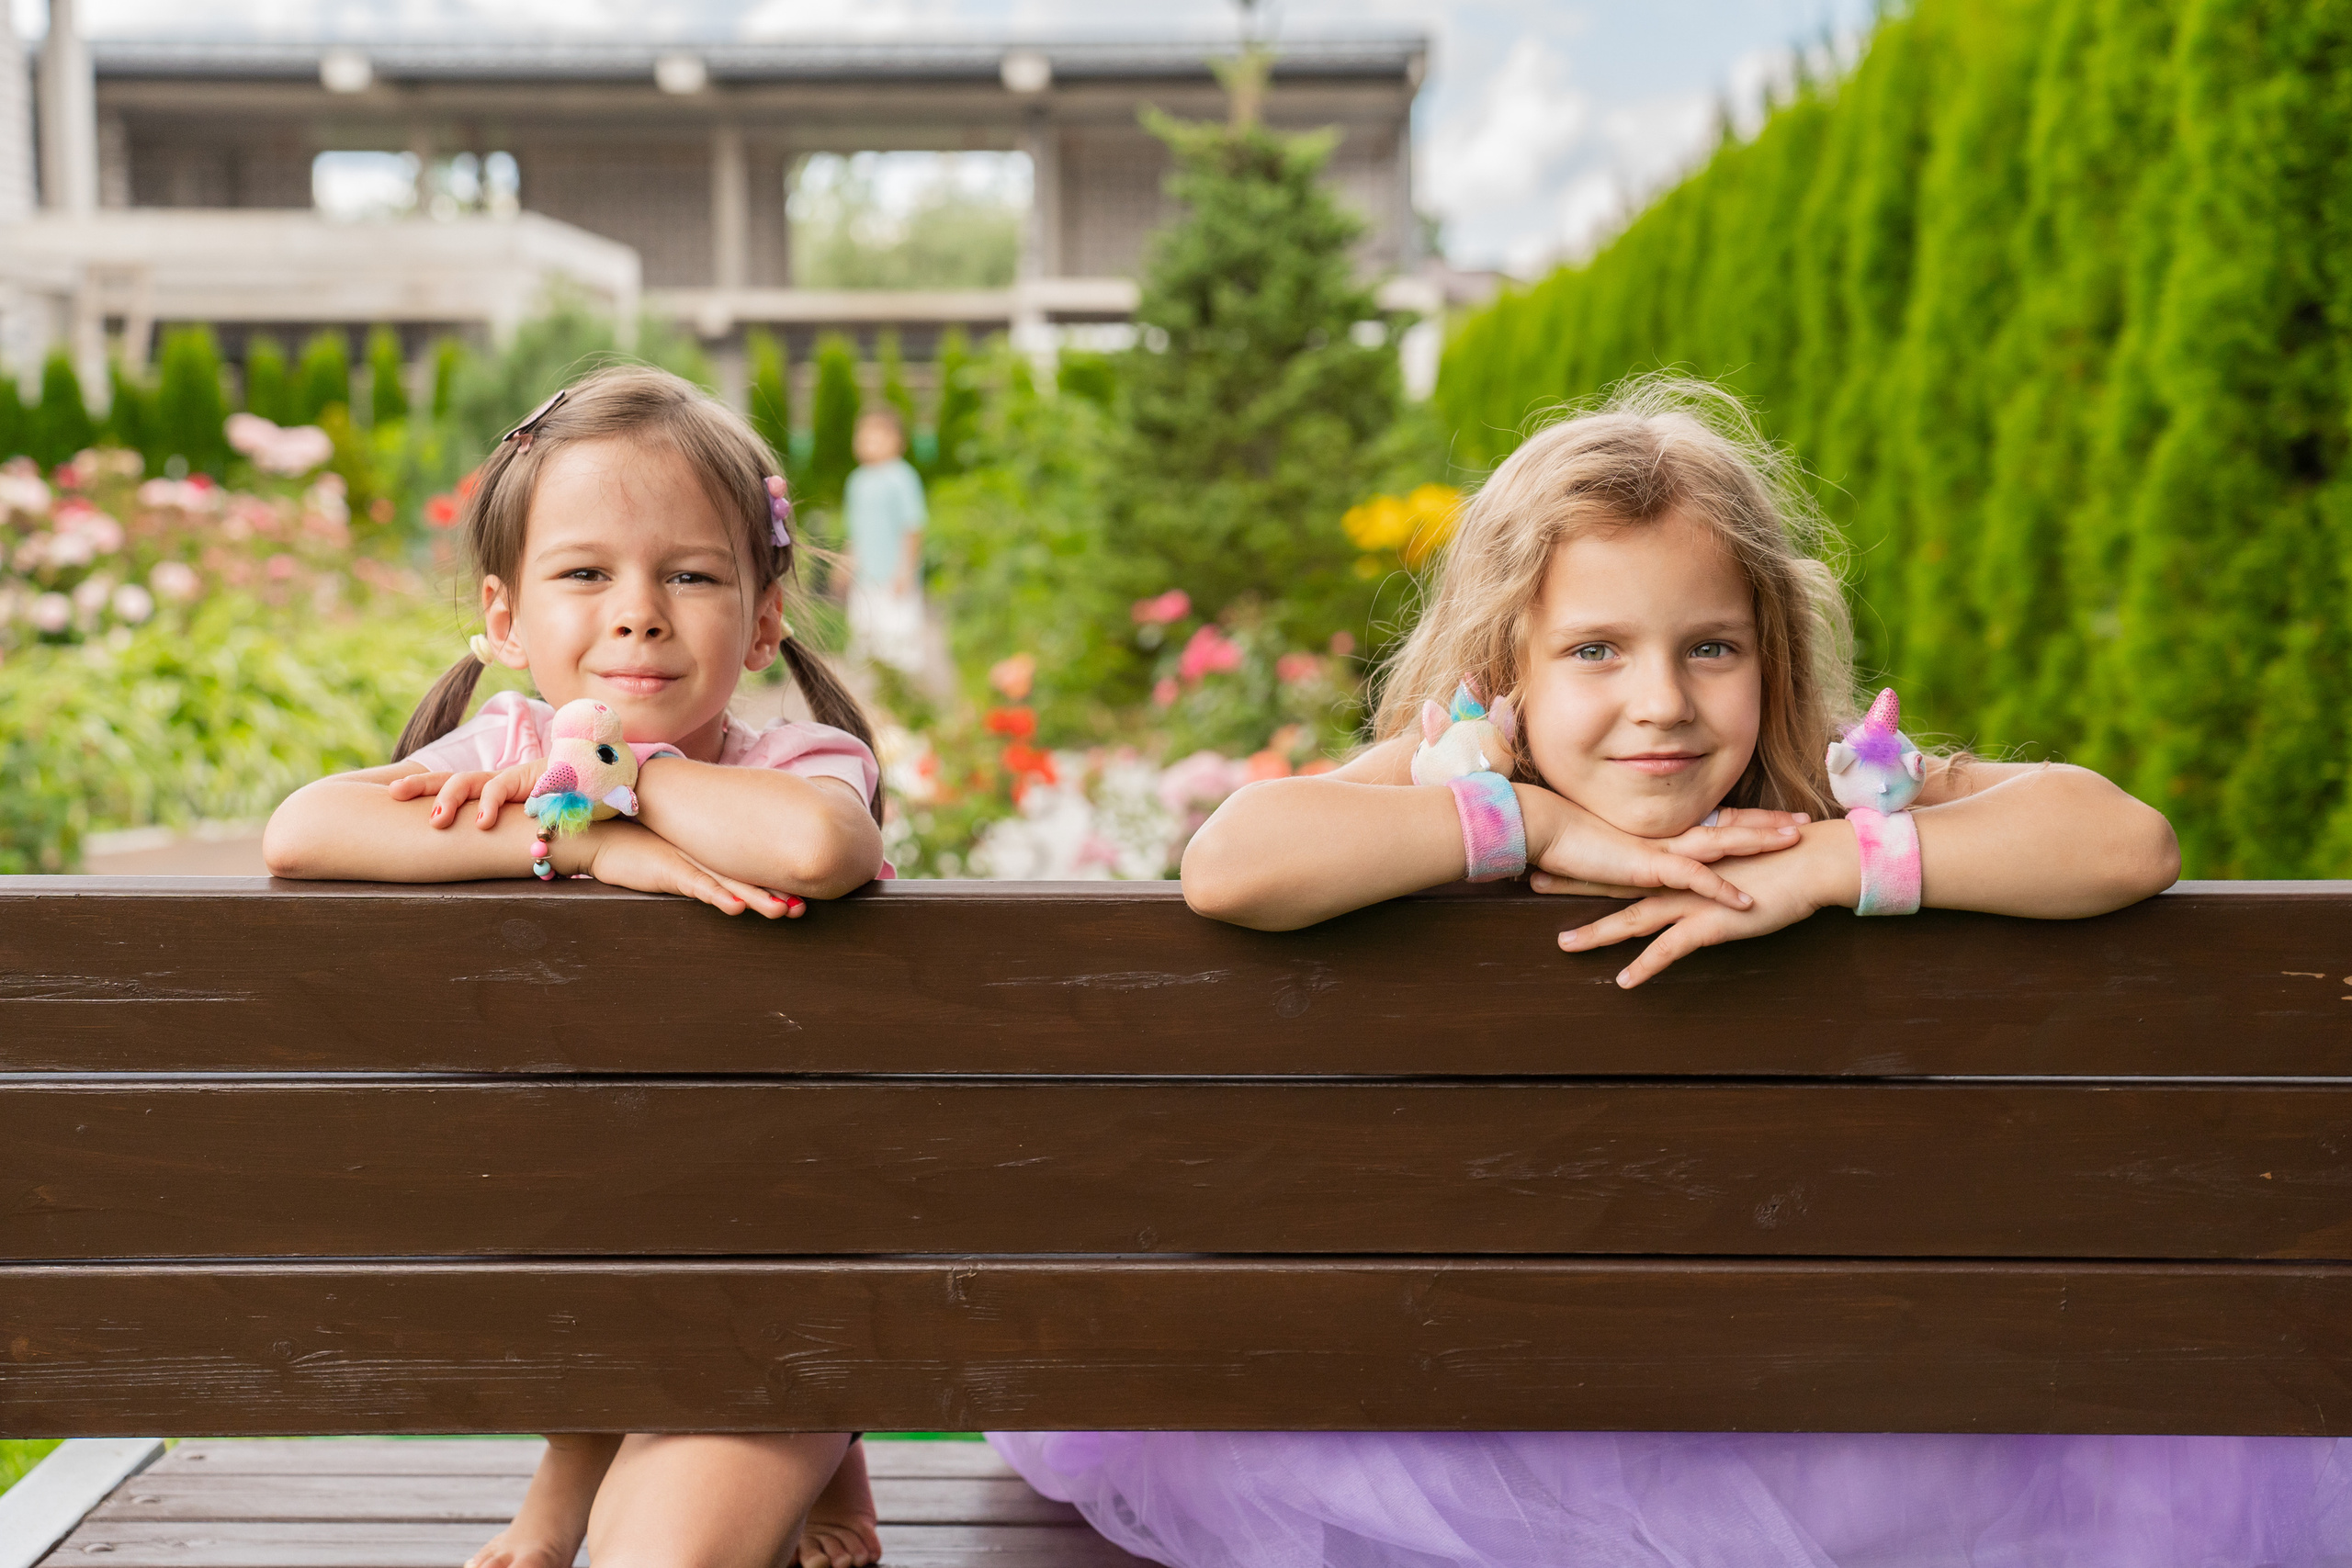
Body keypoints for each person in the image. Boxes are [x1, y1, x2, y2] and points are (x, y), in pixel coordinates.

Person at [987, 378, 2352, 1566]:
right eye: (1595, 649)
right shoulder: (1472, 772)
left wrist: (1823, 862)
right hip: (1520, 1428)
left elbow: (2127, 839)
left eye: (1711, 646)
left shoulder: (1823, 790)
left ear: (1773, 652)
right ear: (1501, 668)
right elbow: (1232, 861)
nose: (1662, 701)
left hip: (1799, 1427)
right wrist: (1525, 821)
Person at [263, 367, 888, 1568]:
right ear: (505, 618)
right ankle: (596, 1466)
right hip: (606, 1245)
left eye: (693, 574)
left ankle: (809, 1437)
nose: (640, 612)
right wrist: (590, 842)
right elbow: (305, 827)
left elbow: (817, 846)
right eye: (586, 571)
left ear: (763, 621)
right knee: (586, 1152)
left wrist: (625, 769)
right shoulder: (503, 747)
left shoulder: (797, 759)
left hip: (795, 1276)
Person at [841, 406, 928, 677]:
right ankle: (871, 703)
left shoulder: (902, 477)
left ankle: (902, 697)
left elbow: (912, 527)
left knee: (898, 640)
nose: (868, 444)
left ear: (896, 441)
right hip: (865, 580)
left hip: (894, 579)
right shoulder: (856, 481)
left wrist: (906, 569)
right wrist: (844, 562)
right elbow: (855, 532)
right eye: (863, 438)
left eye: (876, 437)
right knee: (864, 636)